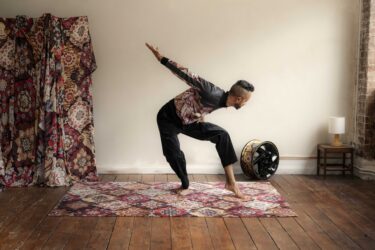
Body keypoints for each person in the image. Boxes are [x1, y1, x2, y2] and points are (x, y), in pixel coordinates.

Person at [146, 42, 254, 199]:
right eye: (245, 101)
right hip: (168, 118)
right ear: (238, 99)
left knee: (222, 135)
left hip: (189, 121)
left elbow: (202, 104)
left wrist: (201, 116)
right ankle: (185, 185)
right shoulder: (211, 91)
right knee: (173, 154)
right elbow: (187, 74)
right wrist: (161, 58)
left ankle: (231, 183)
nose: (245, 104)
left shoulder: (223, 101)